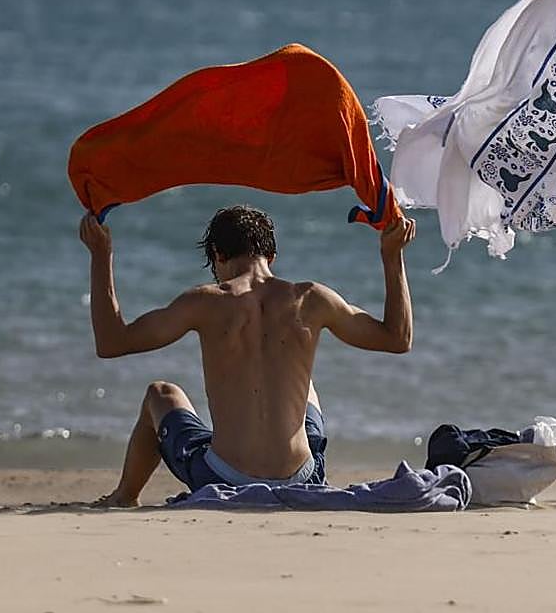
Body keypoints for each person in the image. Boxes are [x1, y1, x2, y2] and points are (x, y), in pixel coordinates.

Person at [78, 204, 416, 506]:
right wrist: (392, 255)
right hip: (304, 478)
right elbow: (397, 338)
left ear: (218, 255)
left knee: (161, 393)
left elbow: (112, 342)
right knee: (305, 385)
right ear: (271, 257)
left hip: (225, 477)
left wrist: (100, 254)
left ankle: (124, 495)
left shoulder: (205, 301)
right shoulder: (312, 298)